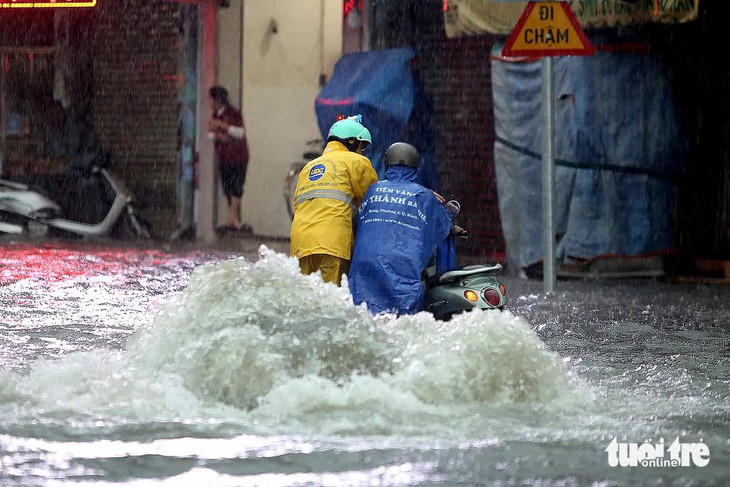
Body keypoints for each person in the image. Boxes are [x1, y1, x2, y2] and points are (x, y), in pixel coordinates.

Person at [347, 142, 455, 316]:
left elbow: (360, 221)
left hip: (364, 266)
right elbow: (441, 226)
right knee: (401, 318)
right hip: (401, 267)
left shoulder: (373, 190)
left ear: (387, 164)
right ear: (416, 168)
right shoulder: (423, 195)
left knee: (362, 315)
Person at [290, 115, 378, 286]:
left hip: (300, 244)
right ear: (351, 142)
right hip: (332, 243)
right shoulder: (357, 161)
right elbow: (373, 201)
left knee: (304, 294)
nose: (361, 152)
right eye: (361, 147)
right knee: (330, 297)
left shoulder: (308, 167)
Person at [207, 85, 250, 232]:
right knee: (227, 187)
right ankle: (233, 219)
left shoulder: (233, 113)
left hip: (238, 156)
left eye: (211, 99)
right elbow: (212, 134)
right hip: (224, 157)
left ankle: (232, 219)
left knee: (237, 186)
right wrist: (220, 135)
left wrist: (222, 127)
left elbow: (240, 133)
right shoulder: (215, 115)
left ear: (217, 100)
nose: (209, 102)